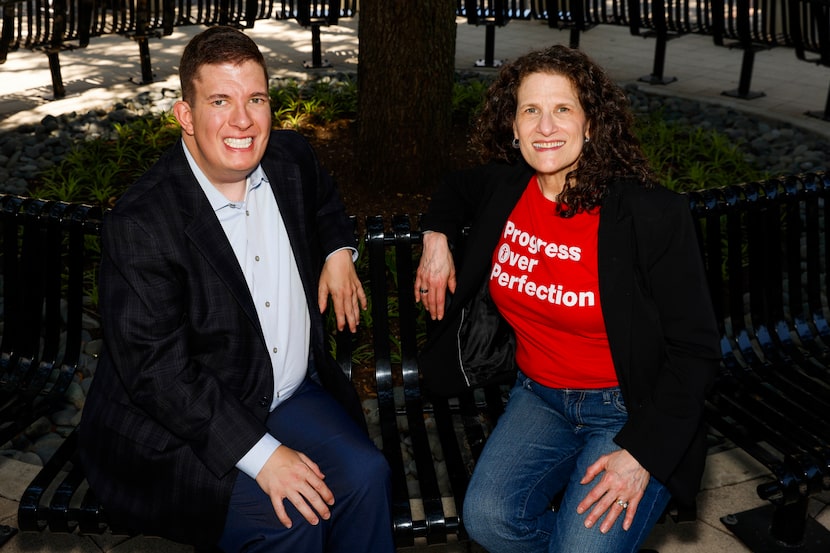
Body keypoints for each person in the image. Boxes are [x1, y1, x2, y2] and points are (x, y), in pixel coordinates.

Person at [78, 26, 394, 553]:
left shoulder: (290, 159)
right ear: (185, 115)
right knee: (293, 518)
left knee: (367, 476)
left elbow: (324, 201)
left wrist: (339, 252)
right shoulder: (143, 223)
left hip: (284, 395)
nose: (243, 120)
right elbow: (157, 373)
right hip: (180, 428)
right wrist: (262, 454)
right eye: (220, 101)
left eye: (256, 99)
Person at [414, 45, 721, 553]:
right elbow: (453, 188)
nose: (544, 126)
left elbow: (696, 351)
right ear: (512, 127)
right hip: (539, 396)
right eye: (530, 110)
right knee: (489, 519)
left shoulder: (650, 216)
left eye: (563, 108)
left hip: (628, 407)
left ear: (592, 124)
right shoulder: (506, 188)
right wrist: (436, 238)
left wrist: (641, 454)